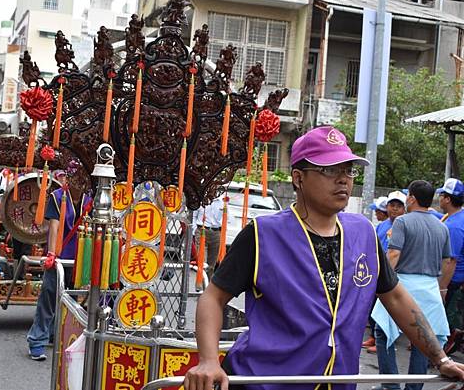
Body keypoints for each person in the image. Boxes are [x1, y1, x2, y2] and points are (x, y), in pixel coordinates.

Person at [183, 126, 464, 390]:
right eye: (329, 170)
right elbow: (213, 297)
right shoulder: (262, 235)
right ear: (298, 177)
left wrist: (440, 359)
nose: (343, 178)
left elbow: (397, 298)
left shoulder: (363, 233)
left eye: (348, 170)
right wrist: (208, 360)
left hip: (337, 380)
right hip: (265, 380)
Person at [372, 180, 455, 390]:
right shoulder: (442, 226)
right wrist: (441, 288)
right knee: (423, 340)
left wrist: (382, 284)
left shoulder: (402, 222)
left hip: (401, 285)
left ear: (411, 198)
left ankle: (390, 386)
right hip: (430, 289)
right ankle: (414, 387)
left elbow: (393, 254)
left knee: (383, 334)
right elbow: (447, 262)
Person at [27, 171, 91, 361]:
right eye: (75, 178)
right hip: (61, 256)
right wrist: (52, 254)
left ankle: (62, 336)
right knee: (49, 295)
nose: (78, 182)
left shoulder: (91, 199)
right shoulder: (57, 197)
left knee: (73, 300)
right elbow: (54, 227)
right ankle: (37, 340)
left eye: (82, 179)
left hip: (81, 257)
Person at [363, 191, 407, 353]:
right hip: (376, 270)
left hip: (392, 274)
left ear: (404, 209)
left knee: (389, 310)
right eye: (391, 205)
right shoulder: (382, 225)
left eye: (398, 206)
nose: (394, 209)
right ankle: (374, 337)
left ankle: (388, 341)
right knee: (373, 307)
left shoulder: (403, 225)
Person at [437, 178, 464, 353]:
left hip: (452, 279)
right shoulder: (455, 218)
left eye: (441, 195)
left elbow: (450, 260)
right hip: (455, 279)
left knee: (443, 320)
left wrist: (442, 289)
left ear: (447, 199)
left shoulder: (454, 226)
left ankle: (441, 350)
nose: (439, 198)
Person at [193, 195, 224, 283]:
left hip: (216, 232)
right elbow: (194, 216)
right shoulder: (200, 199)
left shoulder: (222, 202)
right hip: (202, 231)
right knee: (202, 262)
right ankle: (200, 284)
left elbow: (226, 218)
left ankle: (208, 285)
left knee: (212, 265)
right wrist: (195, 230)